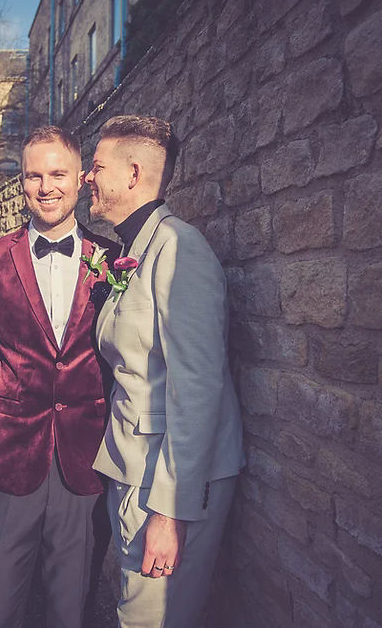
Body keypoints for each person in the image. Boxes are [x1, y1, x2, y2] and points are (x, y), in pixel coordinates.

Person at [0, 126, 116, 628]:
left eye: (57, 174)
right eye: (34, 176)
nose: (46, 187)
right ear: (22, 182)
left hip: (84, 463)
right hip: (8, 458)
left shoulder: (112, 260)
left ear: (81, 178)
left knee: (71, 608)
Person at [83, 115, 244, 628]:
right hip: (132, 466)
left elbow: (198, 389)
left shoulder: (179, 248)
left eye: (97, 166)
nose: (88, 176)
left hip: (166, 482)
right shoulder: (135, 249)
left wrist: (169, 512)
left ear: (133, 174)